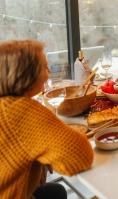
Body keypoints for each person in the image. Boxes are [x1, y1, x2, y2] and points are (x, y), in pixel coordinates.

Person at [0, 40, 94, 199]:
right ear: (27, 73)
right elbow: (81, 157)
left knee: (56, 191)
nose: (49, 72)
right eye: (44, 67)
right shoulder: (20, 110)